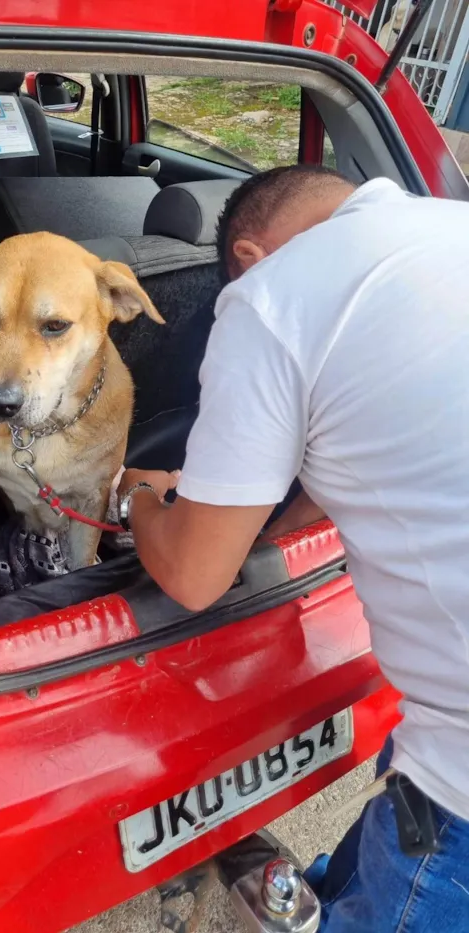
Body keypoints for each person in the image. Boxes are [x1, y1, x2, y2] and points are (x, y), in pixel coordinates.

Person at [116, 165, 469, 932]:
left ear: (246, 257)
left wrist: (135, 496)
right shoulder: (449, 229)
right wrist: (252, 522)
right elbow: (363, 442)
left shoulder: (271, 297)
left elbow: (192, 576)